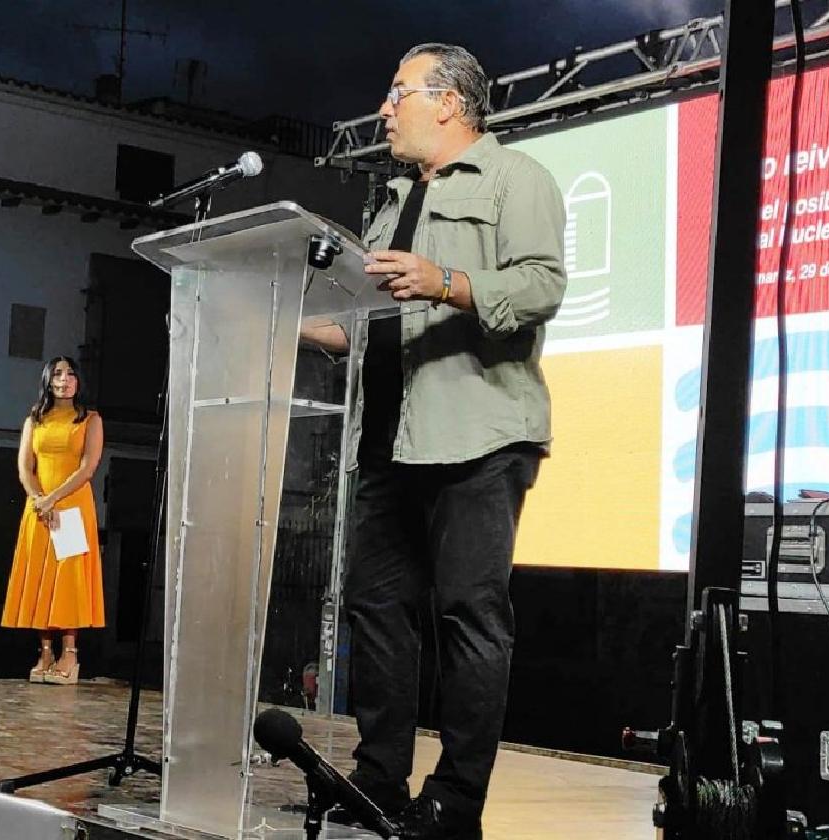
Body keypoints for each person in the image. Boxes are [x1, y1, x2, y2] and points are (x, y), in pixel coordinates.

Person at [301, 44, 566, 839]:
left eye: (397, 93)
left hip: (477, 435)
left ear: (449, 103)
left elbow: (544, 284)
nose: (384, 108)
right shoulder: (389, 205)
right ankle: (378, 781)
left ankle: (454, 803)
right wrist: (284, 325)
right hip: (387, 440)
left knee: (468, 616)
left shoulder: (517, 179)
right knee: (377, 611)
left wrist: (450, 281)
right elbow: (377, 324)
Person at [1, 355, 106, 685]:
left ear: (79, 381)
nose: (64, 379)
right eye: (58, 374)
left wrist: (53, 498)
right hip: (39, 512)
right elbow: (25, 467)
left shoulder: (90, 420)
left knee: (67, 580)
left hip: (72, 508)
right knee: (40, 578)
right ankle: (45, 652)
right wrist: (38, 499)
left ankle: (70, 655)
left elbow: (88, 468)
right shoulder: (34, 420)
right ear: (48, 380)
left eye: (71, 374)